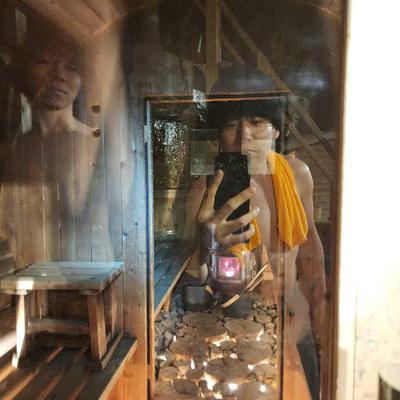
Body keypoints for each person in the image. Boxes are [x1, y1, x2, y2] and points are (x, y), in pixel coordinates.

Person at [185, 68, 327, 372]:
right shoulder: (205, 190)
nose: (244, 135)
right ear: (218, 135)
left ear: (276, 130)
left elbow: (311, 251)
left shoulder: (297, 174)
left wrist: (321, 317)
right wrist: (208, 242)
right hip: (235, 326)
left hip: (293, 317)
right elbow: (192, 281)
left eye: (257, 121)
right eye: (231, 124)